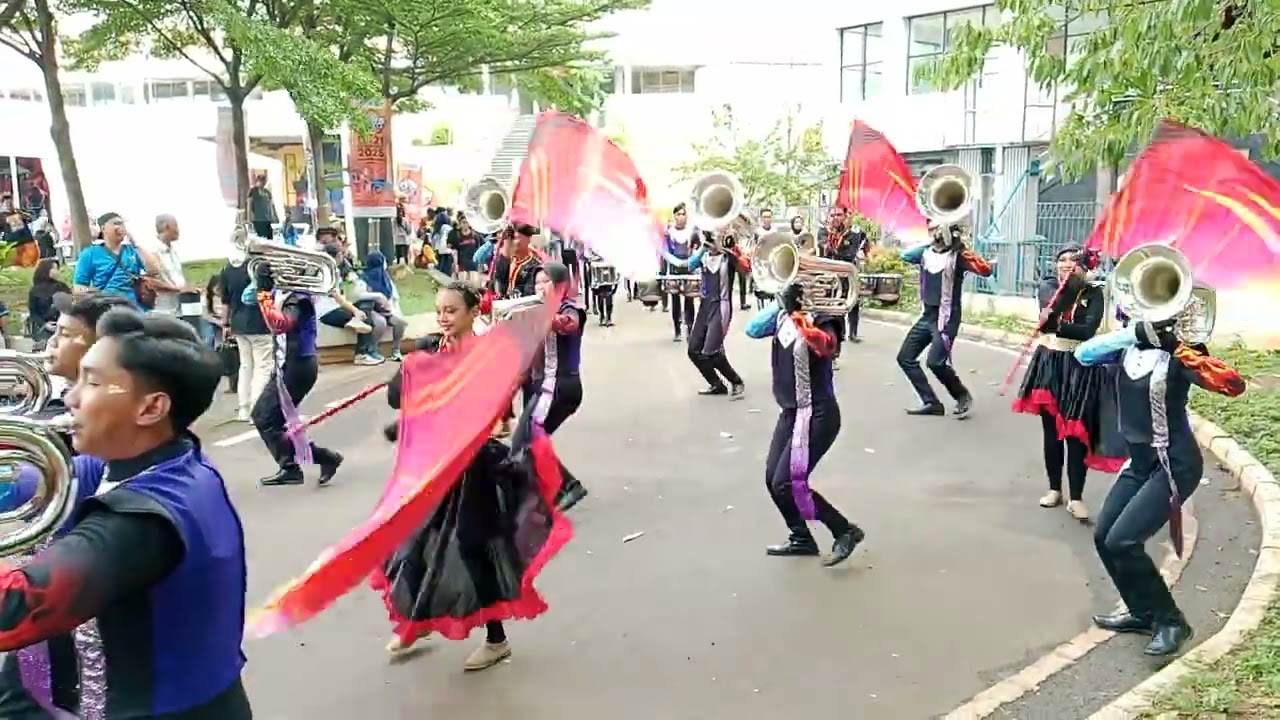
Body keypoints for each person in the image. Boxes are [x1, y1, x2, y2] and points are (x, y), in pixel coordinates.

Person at [0, 308, 253, 718]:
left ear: (151, 408)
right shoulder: (139, 462)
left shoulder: (142, 520)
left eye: (93, 382)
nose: (70, 397)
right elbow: (25, 482)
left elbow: (15, 608)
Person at [377, 282, 575, 669]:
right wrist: (416, 364)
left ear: (472, 313)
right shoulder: (434, 349)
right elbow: (397, 395)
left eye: (451, 311)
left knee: (472, 546)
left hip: (475, 466)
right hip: (436, 466)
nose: (443, 317)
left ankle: (497, 640)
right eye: (439, 310)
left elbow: (490, 410)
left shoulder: (488, 356)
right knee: (413, 540)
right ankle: (417, 620)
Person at [1074, 307, 1246, 656]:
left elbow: (1232, 385)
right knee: (1104, 536)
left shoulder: (1181, 355)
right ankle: (1142, 612)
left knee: (1123, 540)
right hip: (1139, 464)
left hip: (1175, 464)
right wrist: (1135, 333)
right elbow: (1083, 354)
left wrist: (1178, 346)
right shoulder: (1127, 348)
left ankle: (1171, 622)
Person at [746, 283, 864, 567]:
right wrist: (782, 305)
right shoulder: (782, 313)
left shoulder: (825, 314)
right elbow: (753, 329)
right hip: (791, 412)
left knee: (788, 482)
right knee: (773, 480)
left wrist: (799, 315)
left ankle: (844, 530)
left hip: (817, 412)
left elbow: (827, 346)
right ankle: (801, 537)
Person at [1012, 247, 1126, 520]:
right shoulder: (1048, 286)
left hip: (1079, 366)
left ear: (1085, 266)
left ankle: (1076, 497)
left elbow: (1087, 330)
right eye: (1061, 260)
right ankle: (1054, 489)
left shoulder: (1094, 293)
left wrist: (1055, 324)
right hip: (1050, 363)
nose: (1066, 265)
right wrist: (1054, 320)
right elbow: (1048, 318)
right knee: (1051, 431)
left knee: (1075, 434)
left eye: (1073, 261)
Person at [248, 262, 345, 486]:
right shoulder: (284, 294)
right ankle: (309, 461)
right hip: (290, 364)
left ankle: (301, 464)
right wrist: (261, 286)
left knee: (264, 417)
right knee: (270, 419)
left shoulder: (297, 298)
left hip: (298, 366)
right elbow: (246, 299)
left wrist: (264, 294)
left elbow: (281, 324)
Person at [896, 224, 994, 418]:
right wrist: (931, 241)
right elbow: (905, 255)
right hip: (928, 316)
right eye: (933, 229)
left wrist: (960, 246)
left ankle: (962, 395)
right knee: (905, 358)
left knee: (935, 362)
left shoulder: (958, 256)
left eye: (940, 230)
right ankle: (931, 402)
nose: (937, 233)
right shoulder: (924, 253)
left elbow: (985, 270)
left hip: (947, 317)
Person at [524, 262, 588, 511]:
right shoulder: (535, 310)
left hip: (563, 387)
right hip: (546, 386)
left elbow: (569, 323)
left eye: (546, 282)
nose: (540, 287)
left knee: (531, 439)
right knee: (530, 441)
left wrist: (547, 318)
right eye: (537, 283)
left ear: (560, 286)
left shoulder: (570, 308)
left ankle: (568, 486)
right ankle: (551, 488)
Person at [668, 231, 747, 398]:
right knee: (693, 350)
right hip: (705, 307)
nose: (712, 241)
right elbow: (689, 265)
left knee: (712, 352)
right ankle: (716, 384)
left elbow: (745, 268)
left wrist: (728, 249)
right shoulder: (703, 256)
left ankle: (736, 381)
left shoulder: (728, 258)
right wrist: (703, 249)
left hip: (721, 307)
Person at [661, 203, 699, 341]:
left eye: (683, 214)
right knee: (675, 300)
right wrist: (675, 262)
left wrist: (691, 261)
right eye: (678, 214)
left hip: (689, 268)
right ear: (674, 216)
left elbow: (697, 249)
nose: (681, 217)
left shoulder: (693, 232)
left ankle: (690, 329)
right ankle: (677, 330)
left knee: (690, 300)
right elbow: (664, 251)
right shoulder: (668, 233)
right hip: (674, 269)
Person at [26, 258, 70, 347]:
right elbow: (33, 312)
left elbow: (69, 306)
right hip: (43, 326)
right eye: (54, 268)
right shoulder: (35, 290)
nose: (57, 271)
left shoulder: (62, 287)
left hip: (61, 323)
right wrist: (44, 324)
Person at [589, 253, 618, 327]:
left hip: (608, 284)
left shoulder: (610, 261)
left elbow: (616, 273)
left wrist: (616, 284)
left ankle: (608, 318)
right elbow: (591, 275)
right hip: (600, 285)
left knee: (609, 302)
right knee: (601, 302)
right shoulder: (594, 264)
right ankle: (602, 316)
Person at [248, 174, 278, 239]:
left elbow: (271, 205)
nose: (263, 183)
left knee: (269, 236)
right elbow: (249, 204)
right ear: (257, 181)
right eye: (261, 181)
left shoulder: (267, 192)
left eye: (264, 181)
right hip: (258, 219)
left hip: (266, 219)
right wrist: (249, 217)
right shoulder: (253, 191)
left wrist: (273, 215)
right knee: (261, 237)